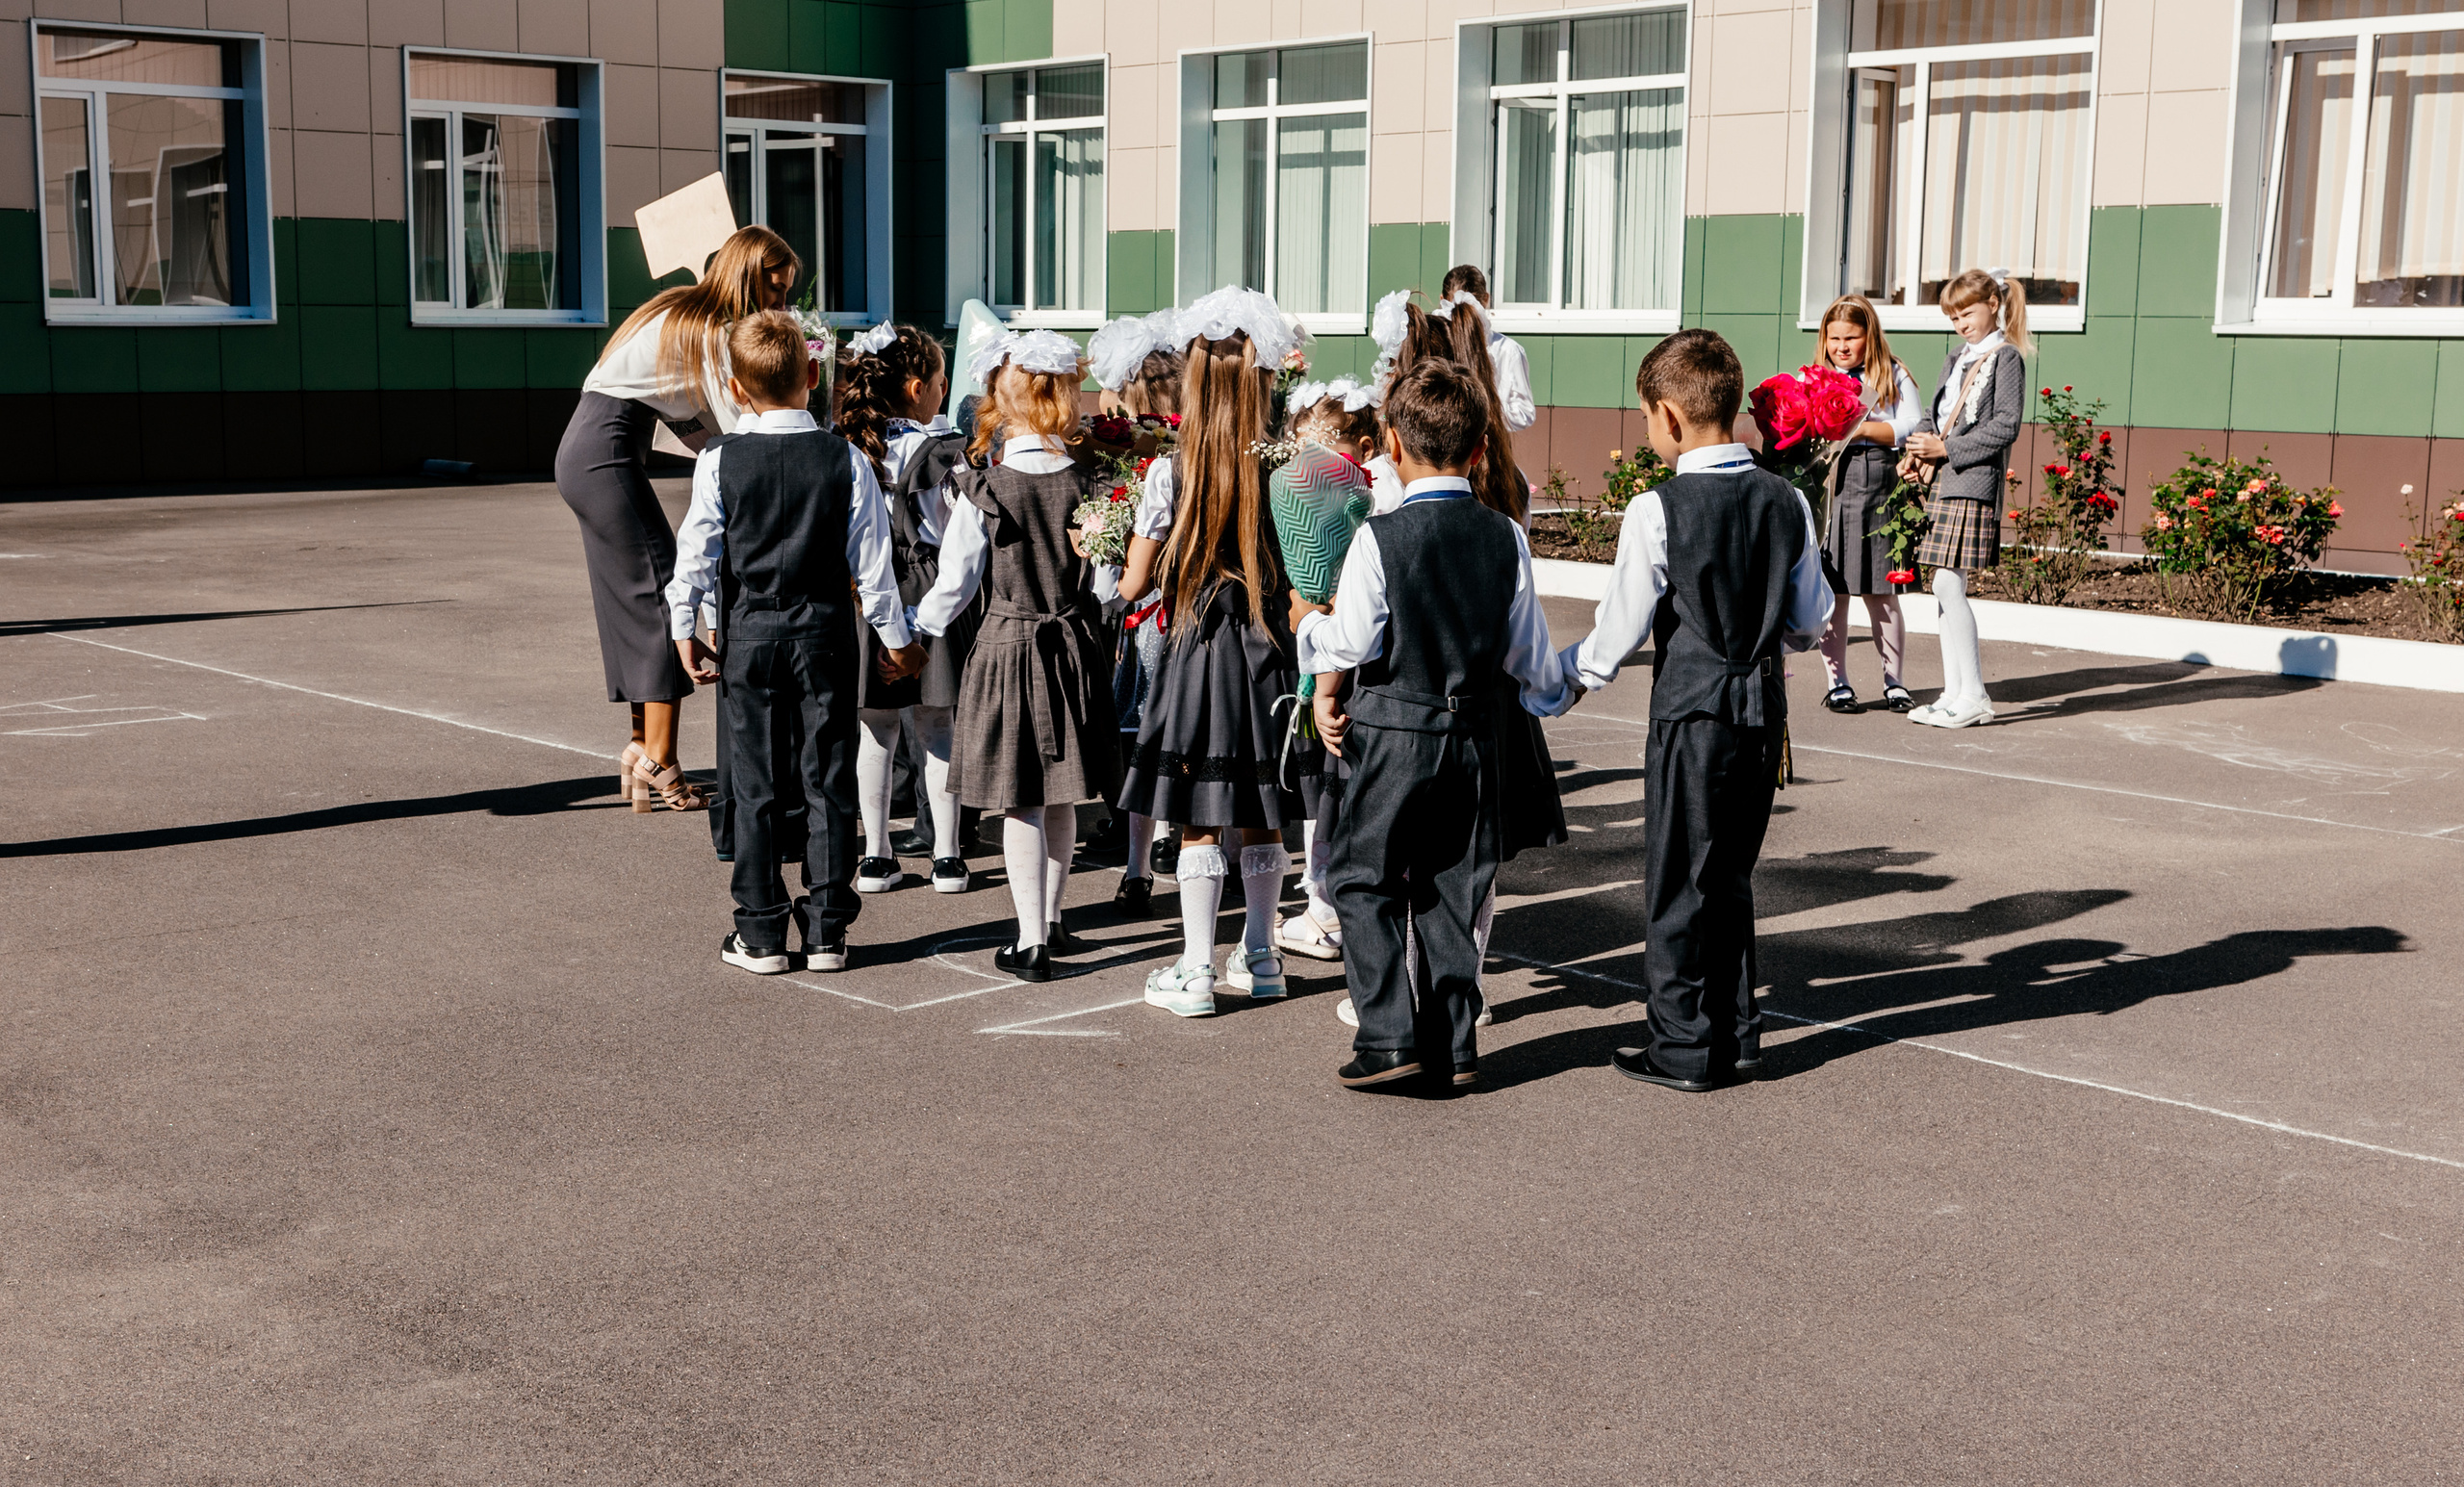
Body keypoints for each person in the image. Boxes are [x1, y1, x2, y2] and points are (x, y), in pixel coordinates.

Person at [1559, 329, 1832, 1091]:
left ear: (1672, 417)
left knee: (1679, 877)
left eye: (1646, 416)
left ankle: (1682, 1044)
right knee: (1732, 875)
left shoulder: (1658, 508)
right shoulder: (1789, 499)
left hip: (1692, 712)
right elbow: (1811, 623)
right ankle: (1738, 1032)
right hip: (1762, 710)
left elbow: (1615, 634)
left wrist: (1555, 683)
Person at [1299, 359, 1575, 1090]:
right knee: (1456, 885)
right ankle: (1452, 1041)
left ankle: (1388, 1033)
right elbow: (1529, 653)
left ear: (1391, 441)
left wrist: (1308, 632)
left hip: (1395, 728)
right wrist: (1559, 687)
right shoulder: (1505, 536)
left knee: (1364, 875)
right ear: (1481, 447)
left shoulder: (1381, 536)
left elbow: (1354, 641)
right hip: (1477, 731)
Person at [663, 311, 926, 974]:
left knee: (751, 780)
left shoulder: (719, 459)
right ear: (813, 374)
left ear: (734, 387)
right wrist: (897, 641)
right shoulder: (844, 458)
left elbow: (695, 552)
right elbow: (873, 565)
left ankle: (758, 929)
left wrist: (682, 626)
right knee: (828, 777)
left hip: (750, 633)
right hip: (824, 632)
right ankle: (827, 928)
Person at [1117, 286, 1322, 1019]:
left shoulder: (1167, 473)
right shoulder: (1292, 469)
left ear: (1197, 383)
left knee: (1202, 809)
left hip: (1198, 653)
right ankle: (1262, 956)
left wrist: (1102, 553)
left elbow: (1134, 581)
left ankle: (1197, 965)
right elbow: (1310, 576)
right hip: (1269, 650)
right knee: (1263, 804)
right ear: (1265, 379)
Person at [558, 225, 799, 812]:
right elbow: (739, 426)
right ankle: (657, 759)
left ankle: (644, 747)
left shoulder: (682, 311)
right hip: (608, 453)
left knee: (640, 605)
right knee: (667, 602)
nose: (784, 306)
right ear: (748, 281)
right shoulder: (714, 332)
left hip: (593, 449)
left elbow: (699, 425)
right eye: (776, 293)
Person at [910, 330, 1122, 983]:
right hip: (1073, 648)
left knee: (1021, 800)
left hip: (1006, 646)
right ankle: (1051, 920)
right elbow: (1108, 588)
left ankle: (1032, 939)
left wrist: (914, 631)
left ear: (1000, 398)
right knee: (1060, 796)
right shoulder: (1092, 482)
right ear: (1063, 395)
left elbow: (955, 582)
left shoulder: (986, 486)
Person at [834, 321, 973, 895]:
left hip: (866, 592)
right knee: (938, 725)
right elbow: (959, 534)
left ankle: (875, 856)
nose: (945, 392)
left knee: (875, 727)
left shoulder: (846, 449)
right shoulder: (943, 452)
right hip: (931, 588)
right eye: (942, 382)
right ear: (918, 388)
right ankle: (947, 856)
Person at [1084, 313, 1187, 921]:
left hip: (1149, 612)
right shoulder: (1178, 458)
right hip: (1189, 618)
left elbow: (1135, 565)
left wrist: (1113, 587)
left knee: (1148, 737)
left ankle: (1139, 865)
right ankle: (1176, 840)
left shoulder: (1149, 470)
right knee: (1181, 735)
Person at [1903, 269, 2030, 730]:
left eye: (1967, 312)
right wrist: (1918, 447)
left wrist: (1946, 449)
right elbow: (1934, 416)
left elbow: (2005, 425)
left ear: (1993, 304)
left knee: (1947, 584)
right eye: (1953, 316)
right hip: (1944, 479)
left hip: (1972, 482)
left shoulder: (2007, 357)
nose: (1960, 323)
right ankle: (1954, 691)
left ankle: (1974, 693)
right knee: (1941, 584)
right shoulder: (1957, 356)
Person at [1811, 295, 1924, 715]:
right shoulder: (1816, 378)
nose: (1841, 346)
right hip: (1831, 489)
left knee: (1882, 592)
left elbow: (1913, 423)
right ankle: (1837, 683)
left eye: (1852, 337)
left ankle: (1895, 681)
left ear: (1869, 336)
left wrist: (1861, 430)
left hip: (1877, 485)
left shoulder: (1892, 373)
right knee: (1834, 591)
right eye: (1833, 337)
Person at [1440, 264, 1536, 434]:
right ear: (1486, 299)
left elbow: (1524, 413)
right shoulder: (1438, 343)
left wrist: (1481, 414)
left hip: (1488, 448)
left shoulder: (1508, 351)